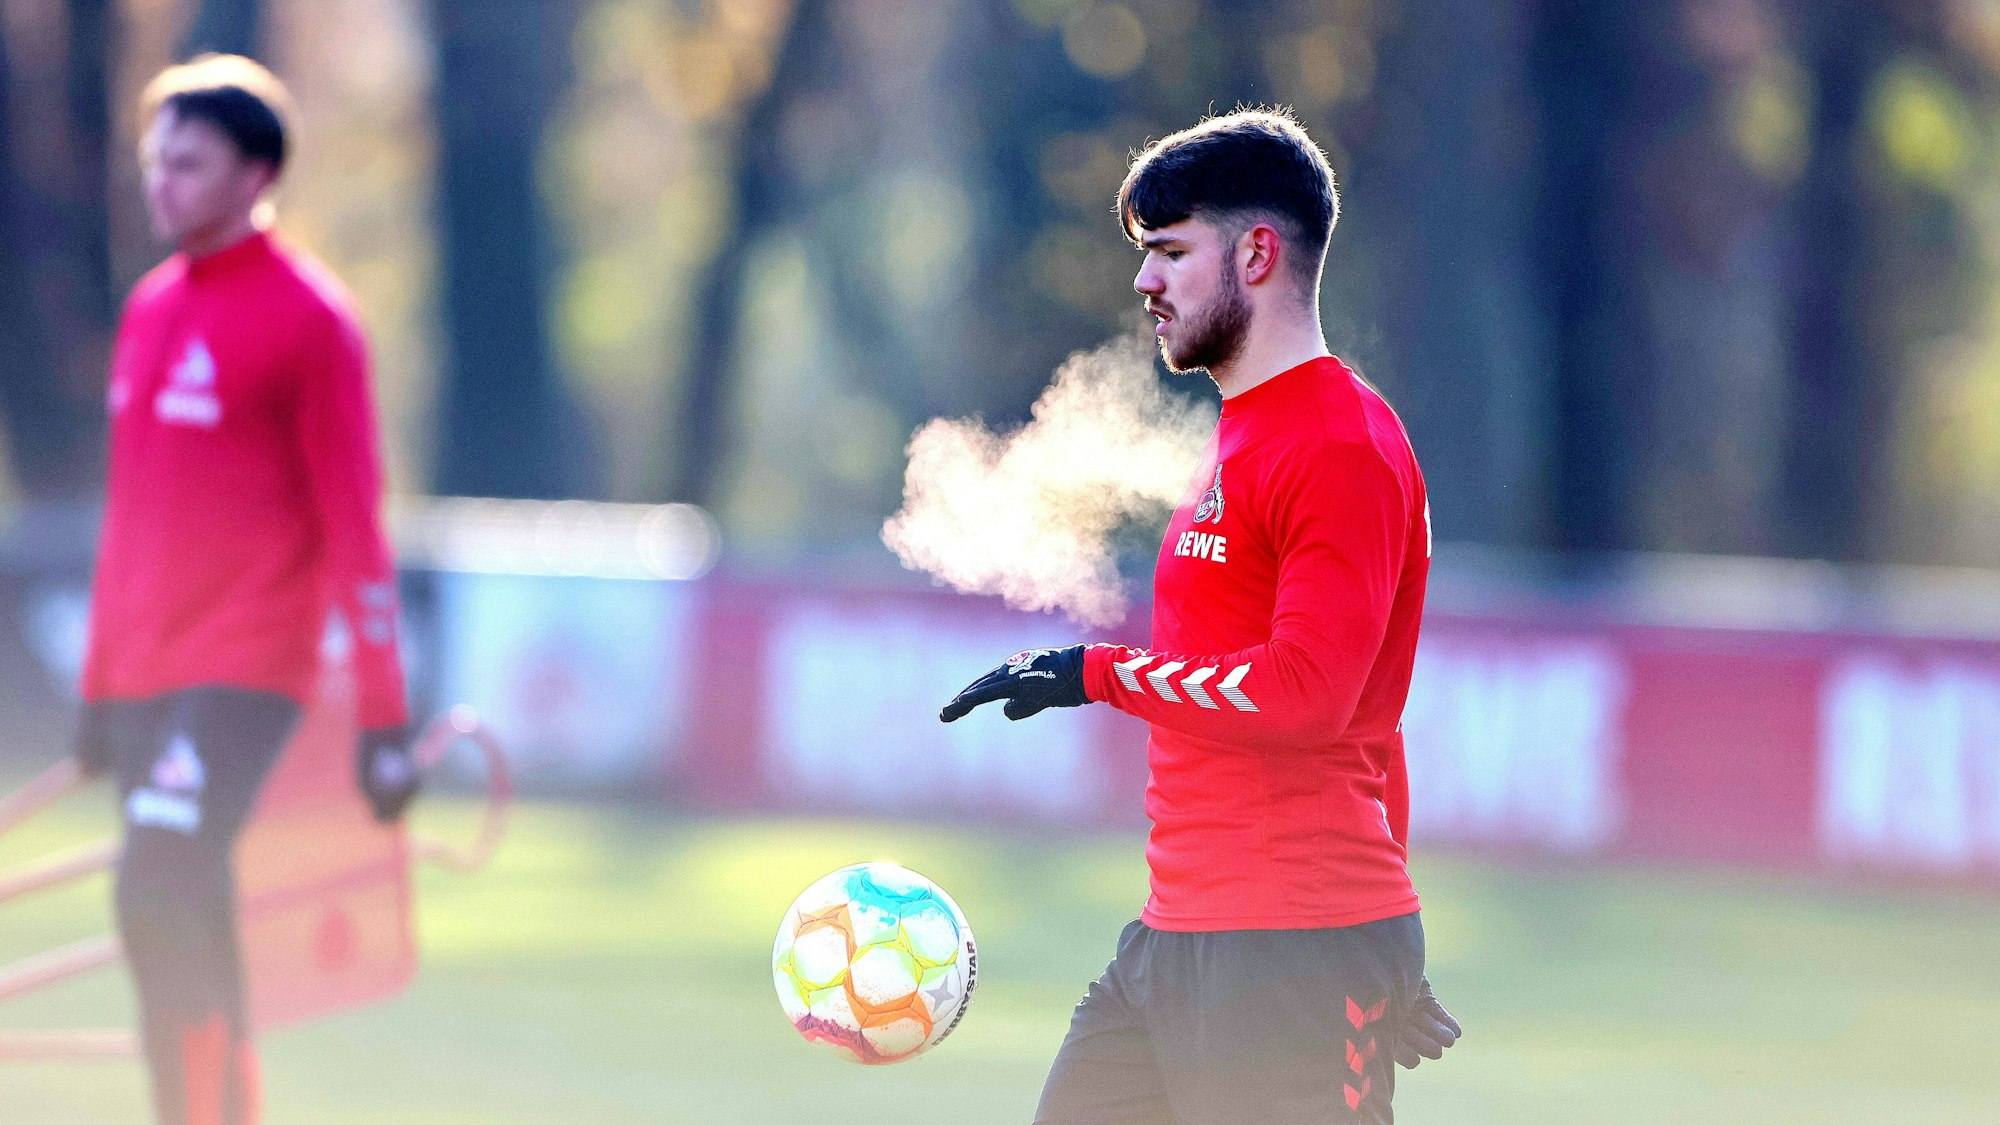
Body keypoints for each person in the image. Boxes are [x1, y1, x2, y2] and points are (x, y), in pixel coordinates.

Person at [940, 109, 1460, 1123]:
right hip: (1179, 937)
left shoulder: (1337, 444)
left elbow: (1310, 697)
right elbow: (1372, 722)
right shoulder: (1239, 436)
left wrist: (1094, 673)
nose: (1144, 282)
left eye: (1171, 252)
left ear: (1257, 253)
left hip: (1291, 954)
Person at [70, 54, 420, 1125]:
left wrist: (384, 715)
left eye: (189, 162)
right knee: (181, 903)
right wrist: (96, 683)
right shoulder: (149, 309)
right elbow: (129, 519)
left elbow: (356, 527)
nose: (161, 182)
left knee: (155, 881)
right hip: (148, 668)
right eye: (153, 161)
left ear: (256, 172)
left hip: (249, 664)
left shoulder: (311, 321)